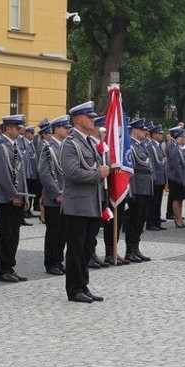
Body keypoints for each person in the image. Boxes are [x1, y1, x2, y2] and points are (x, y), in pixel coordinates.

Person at [60, 101, 108, 303]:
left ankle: (83, 285)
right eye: (90, 117)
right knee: (76, 248)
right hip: (77, 205)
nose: (93, 120)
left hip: (92, 204)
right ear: (78, 119)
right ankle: (74, 289)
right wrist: (97, 174)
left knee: (88, 248)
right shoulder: (70, 144)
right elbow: (72, 173)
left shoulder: (89, 142)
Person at [0, 114, 30, 282]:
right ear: (8, 128)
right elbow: (0, 175)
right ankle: (2, 269)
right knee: (6, 234)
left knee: (14, 234)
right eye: (17, 128)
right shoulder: (1, 146)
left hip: (19, 198)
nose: (20, 131)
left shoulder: (16, 146)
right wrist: (12, 195)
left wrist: (26, 196)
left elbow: (21, 174)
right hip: (7, 199)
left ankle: (10, 266)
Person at [38, 115, 69, 275]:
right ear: (56, 129)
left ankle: (58, 260)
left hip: (67, 197)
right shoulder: (48, 148)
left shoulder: (65, 147)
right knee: (53, 232)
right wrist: (56, 193)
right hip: (54, 198)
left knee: (63, 232)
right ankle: (51, 263)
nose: (68, 131)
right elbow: (44, 173)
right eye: (65, 128)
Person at [124, 118, 153, 261]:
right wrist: (132, 190)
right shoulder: (130, 146)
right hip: (138, 188)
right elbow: (131, 169)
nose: (145, 132)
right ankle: (130, 250)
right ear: (134, 131)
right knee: (133, 220)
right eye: (142, 130)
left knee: (141, 219)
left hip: (145, 187)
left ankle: (136, 247)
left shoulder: (142, 145)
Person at [145, 125, 167, 231]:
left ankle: (157, 221)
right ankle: (151, 223)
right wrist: (153, 177)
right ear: (154, 135)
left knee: (158, 202)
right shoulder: (151, 146)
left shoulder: (158, 146)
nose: (161, 135)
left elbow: (162, 162)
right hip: (155, 178)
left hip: (161, 177)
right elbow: (152, 163)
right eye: (159, 133)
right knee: (153, 202)